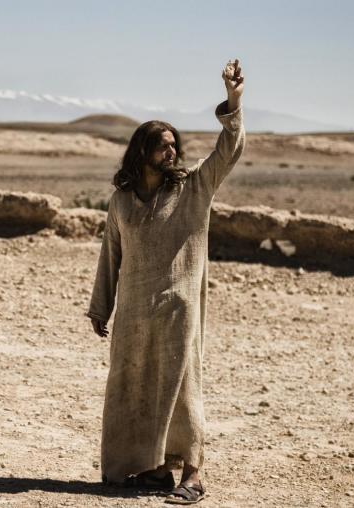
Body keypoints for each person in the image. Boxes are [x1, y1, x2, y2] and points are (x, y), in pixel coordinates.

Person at [88, 60, 246, 504]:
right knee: (133, 385)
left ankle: (192, 475)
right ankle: (154, 469)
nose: (171, 151)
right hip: (135, 313)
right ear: (141, 152)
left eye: (174, 144)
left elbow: (229, 149)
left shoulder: (196, 188)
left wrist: (233, 101)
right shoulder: (121, 201)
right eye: (161, 146)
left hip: (179, 310)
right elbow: (111, 257)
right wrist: (101, 308)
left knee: (182, 388)